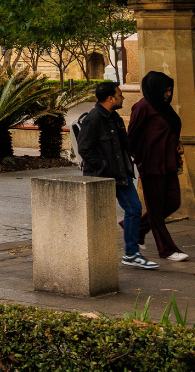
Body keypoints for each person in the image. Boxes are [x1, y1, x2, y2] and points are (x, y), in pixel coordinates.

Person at [76, 80, 154, 269]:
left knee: (134, 209)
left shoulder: (115, 118)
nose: (123, 97)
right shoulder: (93, 119)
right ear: (110, 98)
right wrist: (103, 166)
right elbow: (84, 149)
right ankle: (105, 255)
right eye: (119, 95)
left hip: (120, 173)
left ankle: (131, 253)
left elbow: (123, 145)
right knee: (100, 217)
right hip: (102, 176)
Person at [128, 71, 188, 262]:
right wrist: (140, 160)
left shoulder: (164, 108)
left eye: (170, 90)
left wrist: (177, 142)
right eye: (166, 90)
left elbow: (169, 130)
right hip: (151, 165)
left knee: (172, 202)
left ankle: (137, 229)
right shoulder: (143, 107)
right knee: (155, 210)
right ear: (155, 88)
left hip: (168, 163)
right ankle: (167, 250)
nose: (169, 94)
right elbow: (132, 136)